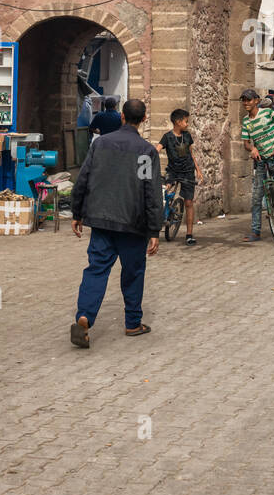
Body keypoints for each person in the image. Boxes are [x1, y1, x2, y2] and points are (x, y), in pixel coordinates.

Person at [69, 98, 163, 347]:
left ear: (122, 116)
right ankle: (133, 323)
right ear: (143, 119)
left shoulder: (101, 144)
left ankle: (85, 315)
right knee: (133, 273)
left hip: (101, 219)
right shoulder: (145, 151)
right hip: (133, 222)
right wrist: (154, 229)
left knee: (96, 269)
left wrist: (77, 212)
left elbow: (84, 178)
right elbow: (150, 192)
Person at [240, 88, 274, 243]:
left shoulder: (268, 113)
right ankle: (255, 231)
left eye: (249, 100)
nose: (246, 103)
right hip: (261, 161)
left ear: (256, 100)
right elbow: (245, 143)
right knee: (256, 198)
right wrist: (252, 148)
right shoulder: (246, 121)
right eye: (243, 100)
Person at [157, 108, 204, 245]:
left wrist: (198, 170)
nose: (187, 124)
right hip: (173, 171)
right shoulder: (167, 137)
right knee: (164, 191)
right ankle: (165, 214)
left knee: (189, 202)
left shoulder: (187, 136)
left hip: (188, 171)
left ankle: (189, 234)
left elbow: (191, 154)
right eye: (186, 121)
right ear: (178, 122)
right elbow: (157, 149)